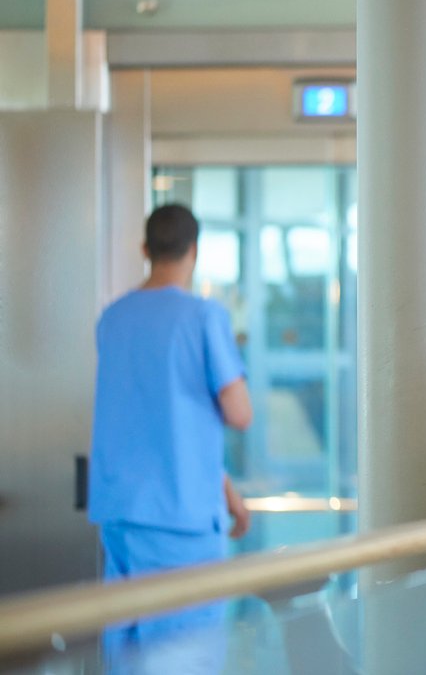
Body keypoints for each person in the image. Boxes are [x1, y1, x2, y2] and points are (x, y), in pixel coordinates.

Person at [88, 203, 252, 671]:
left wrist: (225, 490)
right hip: (181, 524)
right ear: (193, 252)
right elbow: (239, 413)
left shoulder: (112, 319)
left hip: (120, 517)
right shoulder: (203, 317)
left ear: (146, 250)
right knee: (185, 659)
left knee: (126, 657)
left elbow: (151, 420)